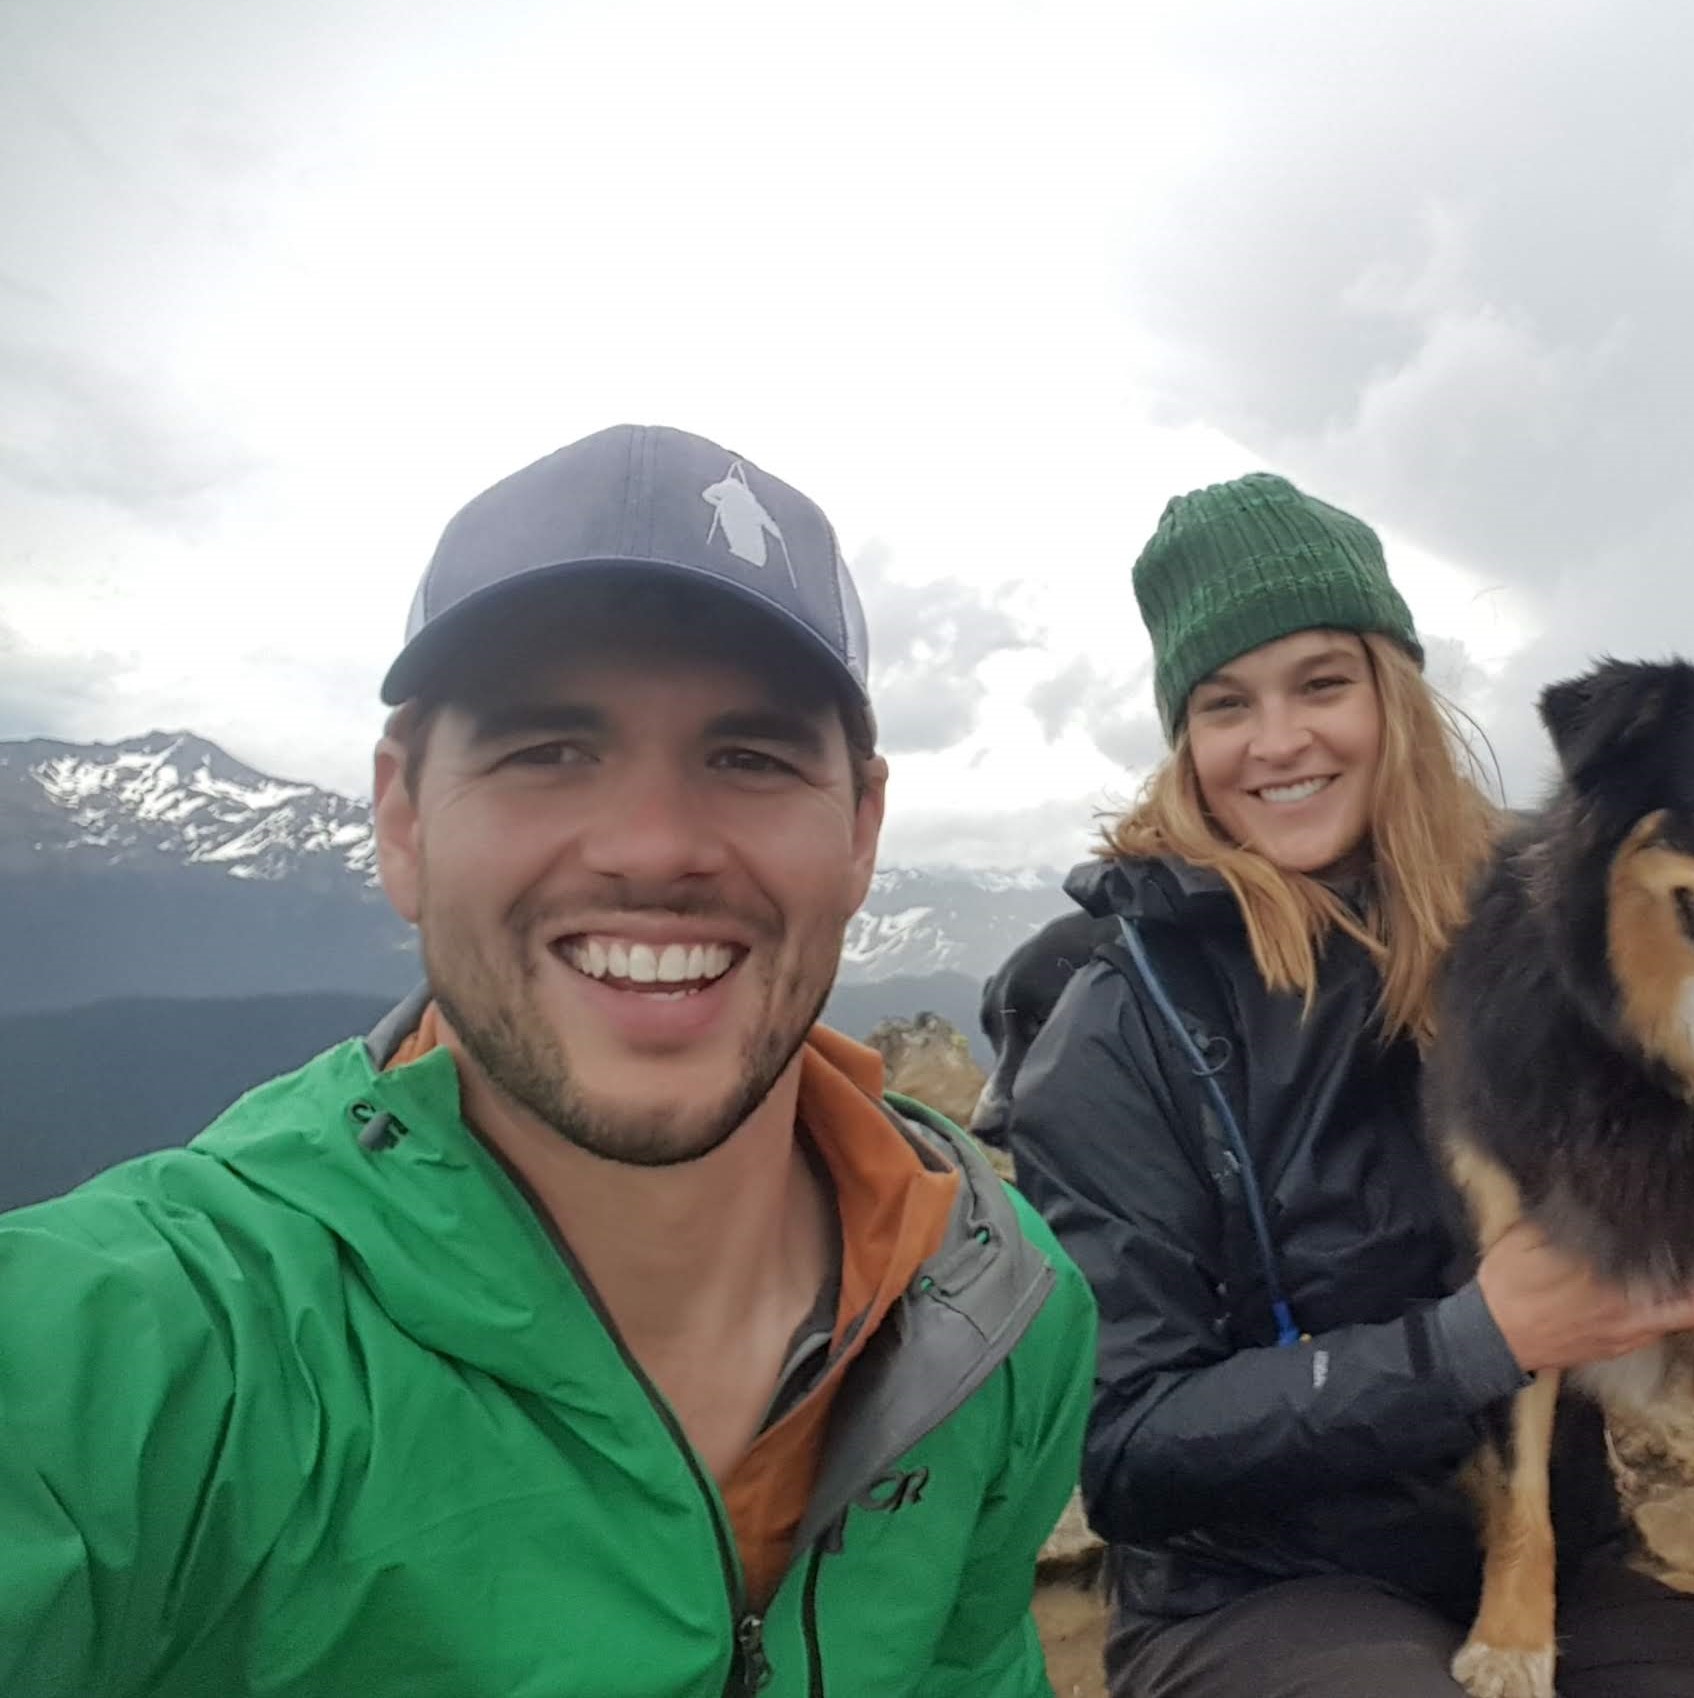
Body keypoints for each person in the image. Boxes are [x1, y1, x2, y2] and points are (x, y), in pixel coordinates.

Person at [0, 425, 1095, 1698]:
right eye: (546, 750)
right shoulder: (141, 1356)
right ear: (402, 818)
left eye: (749, 756)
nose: (650, 844)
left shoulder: (999, 1312)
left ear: (860, 829)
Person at [1008, 473, 1694, 1697]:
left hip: (1549, 1553)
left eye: (1322, 681)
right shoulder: (1121, 1019)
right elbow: (1129, 1444)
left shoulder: (1539, 916)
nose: (1279, 740)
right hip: (1255, 1583)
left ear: (1393, 692)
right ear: (1187, 739)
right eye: (1226, 703)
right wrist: (1477, 1340)